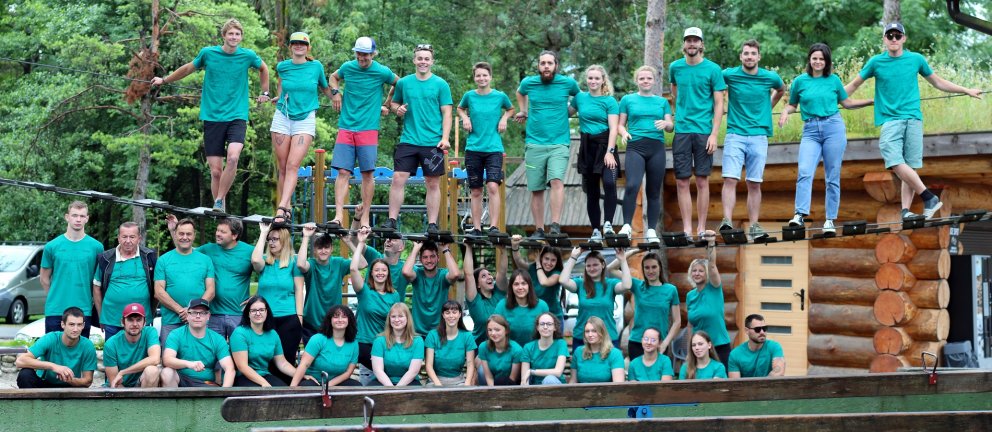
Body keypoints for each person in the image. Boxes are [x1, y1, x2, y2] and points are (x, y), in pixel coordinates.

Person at [844, 22, 983, 221]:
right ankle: (928, 197)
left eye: (897, 35)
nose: (893, 39)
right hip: (891, 120)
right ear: (884, 39)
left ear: (904, 38)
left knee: (910, 167)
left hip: (914, 119)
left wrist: (966, 90)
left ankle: (906, 211)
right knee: (893, 159)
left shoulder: (916, 59)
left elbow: (938, 82)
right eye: (890, 35)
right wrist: (834, 97)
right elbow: (854, 84)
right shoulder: (876, 62)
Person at [150, 18, 270, 212]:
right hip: (213, 116)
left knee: (233, 158)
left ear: (241, 37)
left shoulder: (247, 55)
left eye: (237, 34)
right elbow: (187, 69)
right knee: (215, 172)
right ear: (223, 36)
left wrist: (265, 92)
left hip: (237, 115)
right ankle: (220, 212)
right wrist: (164, 80)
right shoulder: (208, 53)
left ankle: (219, 200)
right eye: (230, 33)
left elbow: (264, 69)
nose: (234, 37)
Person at [779, 43, 874, 233]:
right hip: (810, 131)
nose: (818, 62)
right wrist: (784, 112)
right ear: (809, 60)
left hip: (833, 128)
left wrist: (871, 101)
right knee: (805, 171)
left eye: (821, 59)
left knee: (832, 176)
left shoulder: (833, 80)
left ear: (826, 61)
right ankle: (799, 215)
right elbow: (792, 105)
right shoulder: (800, 81)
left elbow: (847, 103)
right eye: (814, 58)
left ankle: (830, 220)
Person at [381, 43, 453, 235]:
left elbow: (447, 113)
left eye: (426, 59)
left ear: (432, 62)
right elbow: (394, 103)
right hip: (409, 139)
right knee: (398, 178)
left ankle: (432, 224)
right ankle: (392, 220)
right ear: (414, 60)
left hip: (433, 142)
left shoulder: (441, 84)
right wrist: (397, 109)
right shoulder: (404, 82)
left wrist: (445, 138)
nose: (423, 62)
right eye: (420, 58)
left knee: (432, 183)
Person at [328, 36, 399, 228]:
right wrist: (336, 93)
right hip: (346, 126)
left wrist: (387, 102)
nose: (361, 57)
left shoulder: (381, 71)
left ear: (373, 54)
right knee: (343, 172)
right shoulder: (348, 67)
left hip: (368, 129)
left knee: (367, 173)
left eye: (366, 54)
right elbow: (333, 77)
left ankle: (365, 217)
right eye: (359, 53)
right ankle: (338, 216)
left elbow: (398, 83)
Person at [718, 40, 785, 240]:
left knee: (754, 183)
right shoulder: (729, 75)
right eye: (746, 53)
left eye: (753, 53)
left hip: (759, 135)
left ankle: (754, 226)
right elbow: (713, 84)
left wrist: (768, 107)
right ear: (741, 56)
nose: (749, 57)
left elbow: (781, 89)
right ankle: (727, 221)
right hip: (735, 134)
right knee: (730, 178)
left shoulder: (769, 77)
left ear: (758, 57)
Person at [514, 50, 580, 239]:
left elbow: (580, 97)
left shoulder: (567, 83)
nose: (546, 66)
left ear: (556, 65)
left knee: (556, 180)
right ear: (538, 66)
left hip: (559, 142)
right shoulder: (529, 82)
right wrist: (523, 110)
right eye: (542, 63)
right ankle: (539, 229)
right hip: (534, 143)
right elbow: (520, 92)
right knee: (536, 188)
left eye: (549, 63)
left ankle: (555, 226)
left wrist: (569, 111)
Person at [669, 27, 726, 239]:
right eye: (688, 40)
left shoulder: (713, 69)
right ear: (684, 44)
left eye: (695, 40)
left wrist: (714, 134)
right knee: (682, 181)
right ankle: (686, 229)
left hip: (704, 131)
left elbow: (719, 103)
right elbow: (675, 92)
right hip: (682, 130)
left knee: (702, 180)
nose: (692, 44)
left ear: (701, 44)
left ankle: (701, 228)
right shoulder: (675, 67)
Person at [269, 32, 332, 222]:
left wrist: (340, 99)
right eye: (295, 43)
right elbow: (282, 86)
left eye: (302, 44)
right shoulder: (283, 67)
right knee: (282, 166)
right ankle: (286, 207)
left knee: (292, 165)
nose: (299, 46)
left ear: (308, 47)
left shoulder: (316, 66)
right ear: (290, 46)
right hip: (283, 116)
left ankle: (282, 208)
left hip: (305, 118)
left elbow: (326, 88)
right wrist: (278, 96)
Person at [457, 61, 515, 237]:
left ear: (490, 77)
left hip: (493, 149)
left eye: (484, 75)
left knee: (492, 186)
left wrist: (504, 118)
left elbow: (511, 109)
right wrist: (465, 118)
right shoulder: (469, 96)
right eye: (478, 75)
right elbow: (459, 108)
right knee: (475, 190)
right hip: (473, 148)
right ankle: (477, 228)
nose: (481, 78)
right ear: (474, 78)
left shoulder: (500, 96)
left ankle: (494, 227)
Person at [616, 66, 674, 242]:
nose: (645, 81)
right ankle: (626, 226)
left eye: (649, 78)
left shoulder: (662, 102)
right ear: (637, 81)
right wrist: (624, 133)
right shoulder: (627, 99)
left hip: (656, 148)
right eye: (642, 78)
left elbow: (670, 127)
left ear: (654, 81)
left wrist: (666, 124)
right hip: (635, 147)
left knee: (653, 191)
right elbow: (620, 125)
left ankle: (651, 231)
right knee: (632, 185)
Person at [569, 64, 619, 240]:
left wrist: (610, 152)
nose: (593, 81)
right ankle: (596, 230)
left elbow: (614, 129)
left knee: (610, 183)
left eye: (597, 78)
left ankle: (608, 225)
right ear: (586, 79)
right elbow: (565, 113)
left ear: (603, 80)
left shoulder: (610, 101)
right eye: (590, 78)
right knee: (592, 191)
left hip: (606, 145)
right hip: (587, 147)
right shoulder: (580, 98)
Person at [41, 201, 103, 338]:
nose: (78, 219)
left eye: (82, 216)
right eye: (75, 215)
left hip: (83, 310)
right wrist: (54, 297)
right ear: (67, 217)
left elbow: (97, 282)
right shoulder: (52, 246)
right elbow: (44, 278)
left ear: (87, 218)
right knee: (53, 349)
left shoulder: (97, 247)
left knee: (79, 350)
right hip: (56, 310)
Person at [606, 251, 680, 360]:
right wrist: (634, 251)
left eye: (654, 267)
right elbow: (611, 269)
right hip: (637, 342)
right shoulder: (637, 285)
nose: (650, 271)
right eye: (647, 267)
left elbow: (677, 321)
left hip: (659, 344)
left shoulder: (671, 290)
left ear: (660, 268)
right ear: (643, 269)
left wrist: (665, 343)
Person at [154, 218, 216, 345]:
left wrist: (193, 311)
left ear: (194, 235)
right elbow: (159, 292)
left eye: (188, 234)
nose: (185, 237)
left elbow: (211, 290)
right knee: (169, 356)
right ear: (175, 234)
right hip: (171, 322)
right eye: (181, 234)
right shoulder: (163, 260)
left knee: (199, 355)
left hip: (198, 321)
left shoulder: (205, 260)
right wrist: (181, 311)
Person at [252, 223, 305, 368]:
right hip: (264, 319)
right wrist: (264, 232)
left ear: (284, 241)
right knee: (266, 361)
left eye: (275, 239)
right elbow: (255, 260)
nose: (271, 242)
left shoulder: (293, 262)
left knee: (286, 360)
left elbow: (299, 290)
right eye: (269, 239)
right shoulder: (264, 261)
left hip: (288, 318)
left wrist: (300, 317)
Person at [93, 222, 157, 341]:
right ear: (118, 238)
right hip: (112, 319)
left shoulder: (149, 257)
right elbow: (96, 287)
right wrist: (101, 316)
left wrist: (151, 314)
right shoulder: (105, 258)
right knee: (113, 350)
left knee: (141, 351)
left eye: (132, 237)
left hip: (141, 320)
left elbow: (157, 287)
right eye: (124, 237)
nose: (128, 241)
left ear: (139, 238)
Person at [351, 227, 404, 369]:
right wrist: (361, 242)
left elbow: (397, 322)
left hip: (385, 344)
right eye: (376, 270)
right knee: (383, 371)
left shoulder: (394, 295)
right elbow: (353, 269)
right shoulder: (364, 291)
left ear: (388, 273)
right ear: (371, 273)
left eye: (384, 270)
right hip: (365, 343)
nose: (380, 273)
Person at [559, 247, 632, 350]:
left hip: (608, 338)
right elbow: (563, 280)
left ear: (603, 265)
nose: (592, 268)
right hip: (582, 338)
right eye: (588, 266)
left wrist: (623, 260)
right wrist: (573, 257)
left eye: (595, 265)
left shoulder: (610, 284)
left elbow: (627, 285)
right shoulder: (580, 283)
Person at [195, 218, 255, 339]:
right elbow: (185, 252)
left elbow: (267, 272)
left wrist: (257, 297)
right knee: (213, 349)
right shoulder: (208, 249)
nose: (218, 233)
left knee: (240, 348)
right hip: (213, 314)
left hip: (239, 314)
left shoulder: (250, 251)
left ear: (234, 235)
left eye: (223, 232)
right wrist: (173, 231)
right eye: (217, 230)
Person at [298, 223, 358, 342]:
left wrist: (348, 242)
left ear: (331, 249)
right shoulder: (312, 264)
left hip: (333, 321)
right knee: (312, 353)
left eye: (326, 247)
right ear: (315, 250)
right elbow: (300, 264)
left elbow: (362, 263)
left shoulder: (338, 263)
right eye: (320, 248)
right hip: (311, 322)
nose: (323, 251)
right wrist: (306, 237)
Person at [16, 307, 97, 388]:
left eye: (79, 325)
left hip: (70, 386)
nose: (75, 329)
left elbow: (87, 381)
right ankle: (32, 397)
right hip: (44, 383)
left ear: (83, 325)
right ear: (63, 324)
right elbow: (20, 361)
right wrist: (54, 367)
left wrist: (69, 379)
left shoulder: (87, 346)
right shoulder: (50, 338)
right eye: (71, 324)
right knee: (25, 374)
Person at [161, 298, 235, 387]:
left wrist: (224, 392)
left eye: (203, 313)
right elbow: (167, 360)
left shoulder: (217, 339)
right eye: (194, 312)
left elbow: (229, 368)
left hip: (206, 383)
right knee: (167, 372)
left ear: (208, 316)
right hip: (181, 379)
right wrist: (189, 364)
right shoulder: (176, 334)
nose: (198, 316)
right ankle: (174, 397)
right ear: (187, 315)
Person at [685, 230, 731, 368]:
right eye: (694, 271)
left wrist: (711, 243)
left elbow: (712, 265)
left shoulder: (714, 287)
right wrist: (689, 349)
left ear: (707, 273)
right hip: (699, 348)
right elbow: (690, 325)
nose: (697, 273)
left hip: (719, 345)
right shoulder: (690, 296)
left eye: (701, 270)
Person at [230, 295, 297, 386]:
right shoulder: (240, 333)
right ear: (248, 313)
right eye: (254, 310)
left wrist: (300, 374)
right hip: (243, 377)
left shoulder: (273, 334)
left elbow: (282, 363)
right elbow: (242, 367)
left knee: (283, 391)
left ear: (266, 312)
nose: (258, 313)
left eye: (261, 310)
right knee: (265, 393)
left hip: (264, 375)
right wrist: (264, 383)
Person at [291, 305, 361, 387]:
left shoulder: (354, 343)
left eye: (344, 317)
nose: (340, 320)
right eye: (336, 317)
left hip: (335, 382)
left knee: (357, 386)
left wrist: (326, 386)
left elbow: (348, 373)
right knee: (306, 387)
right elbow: (304, 364)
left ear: (349, 320)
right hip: (314, 381)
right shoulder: (318, 339)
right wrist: (292, 389)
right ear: (330, 320)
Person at [402, 239, 461, 336]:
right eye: (425, 257)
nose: (429, 260)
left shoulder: (442, 275)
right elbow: (406, 272)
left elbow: (455, 274)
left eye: (432, 256)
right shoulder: (417, 273)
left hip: (439, 331)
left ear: (438, 258)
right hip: (417, 333)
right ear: (421, 260)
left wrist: (445, 249)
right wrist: (416, 248)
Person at [103, 303, 161, 388]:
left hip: (142, 384)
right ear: (122, 322)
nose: (135, 324)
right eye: (130, 320)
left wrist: (123, 372)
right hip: (119, 388)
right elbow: (114, 382)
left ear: (144, 322)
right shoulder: (111, 344)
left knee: (152, 371)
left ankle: (145, 397)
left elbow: (155, 359)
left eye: (139, 320)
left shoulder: (150, 332)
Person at [510, 238, 565, 324]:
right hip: (535, 315)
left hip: (554, 316)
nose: (549, 263)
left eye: (553, 260)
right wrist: (515, 247)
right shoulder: (533, 268)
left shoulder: (557, 273)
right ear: (541, 257)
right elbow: (519, 261)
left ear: (557, 262)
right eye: (546, 258)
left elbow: (544, 282)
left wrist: (538, 263)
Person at [463, 242, 508, 344]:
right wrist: (468, 247)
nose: (489, 277)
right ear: (477, 285)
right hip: (479, 346)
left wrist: (503, 250)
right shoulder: (474, 300)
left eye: (489, 274)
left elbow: (502, 272)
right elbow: (468, 275)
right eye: (483, 276)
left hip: (501, 345)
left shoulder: (499, 293)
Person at [370, 303, 425, 386]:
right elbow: (378, 371)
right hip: (382, 381)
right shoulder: (379, 341)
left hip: (409, 382)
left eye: (400, 316)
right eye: (393, 316)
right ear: (389, 319)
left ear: (407, 318)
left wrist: (397, 389)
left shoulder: (418, 341)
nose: (396, 320)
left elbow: (413, 371)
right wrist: (391, 389)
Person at [425, 301, 477, 386]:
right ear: (443, 315)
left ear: (460, 314)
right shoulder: (432, 335)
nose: (451, 316)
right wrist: (438, 385)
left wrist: (467, 385)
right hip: (435, 380)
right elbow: (428, 365)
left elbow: (470, 364)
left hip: (458, 381)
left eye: (454, 312)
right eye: (447, 313)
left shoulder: (467, 336)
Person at [492, 269, 550, 346]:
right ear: (511, 287)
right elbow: (494, 330)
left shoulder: (542, 306)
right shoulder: (502, 305)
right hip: (509, 350)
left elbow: (548, 333)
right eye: (516, 284)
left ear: (529, 286)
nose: (520, 287)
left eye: (523, 283)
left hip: (535, 350)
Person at [728, 314, 786, 378]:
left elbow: (779, 371)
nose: (762, 332)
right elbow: (735, 382)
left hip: (768, 384)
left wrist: (762, 383)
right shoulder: (735, 354)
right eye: (757, 329)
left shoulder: (774, 347)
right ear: (747, 331)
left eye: (764, 328)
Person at [569, 317, 624, 383]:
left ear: (602, 332)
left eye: (594, 331)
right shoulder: (578, 352)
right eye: (587, 331)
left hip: (606, 390)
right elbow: (573, 381)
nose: (590, 335)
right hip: (582, 390)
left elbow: (618, 385)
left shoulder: (615, 354)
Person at [520, 312, 568, 385]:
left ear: (555, 327)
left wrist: (532, 371)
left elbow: (558, 372)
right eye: (542, 324)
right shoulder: (528, 347)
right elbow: (524, 379)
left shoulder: (561, 344)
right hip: (536, 388)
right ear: (537, 327)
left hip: (556, 387)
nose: (545, 327)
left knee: (549, 379)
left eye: (549, 324)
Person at [478, 314, 522, 386]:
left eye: (497, 330)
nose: (493, 333)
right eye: (490, 330)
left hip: (509, 383)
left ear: (506, 330)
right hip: (493, 382)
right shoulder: (483, 347)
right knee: (481, 371)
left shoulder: (517, 350)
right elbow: (488, 376)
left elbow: (513, 378)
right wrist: (493, 390)